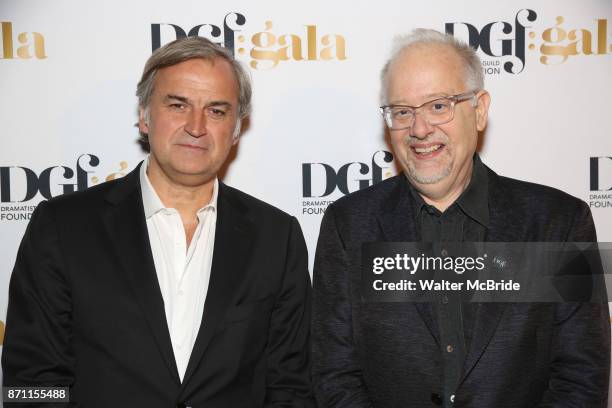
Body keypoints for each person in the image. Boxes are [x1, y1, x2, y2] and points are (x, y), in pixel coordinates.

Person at [2, 37, 314, 408]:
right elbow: (31, 383)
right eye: (178, 105)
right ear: (144, 116)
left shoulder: (276, 237)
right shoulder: (62, 227)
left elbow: (291, 385)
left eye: (216, 111)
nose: (196, 126)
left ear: (236, 129)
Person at [311, 28, 610, 408]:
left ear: (480, 110)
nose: (419, 129)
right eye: (402, 111)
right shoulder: (348, 225)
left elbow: (581, 379)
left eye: (439, 105)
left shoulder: (560, 222)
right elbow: (334, 376)